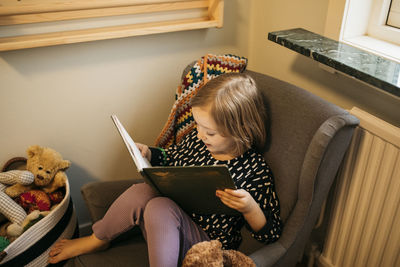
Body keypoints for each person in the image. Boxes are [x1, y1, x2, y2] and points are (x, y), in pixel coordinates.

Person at [48, 73, 282, 266]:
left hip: (203, 247)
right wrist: (149, 154)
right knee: (143, 191)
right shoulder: (198, 141)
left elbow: (270, 234)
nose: (201, 136)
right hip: (163, 230)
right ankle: (98, 239)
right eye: (198, 126)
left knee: (161, 205)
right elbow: (172, 158)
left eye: (209, 132)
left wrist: (250, 207)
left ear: (241, 129)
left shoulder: (255, 170)